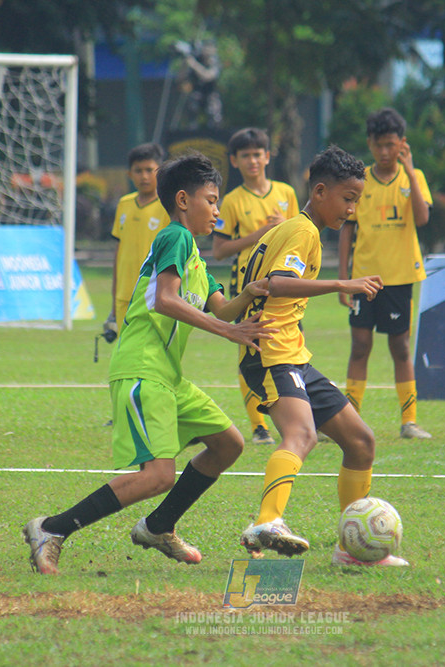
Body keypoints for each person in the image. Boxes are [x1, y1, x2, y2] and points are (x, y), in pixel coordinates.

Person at [22, 153, 275, 574]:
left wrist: (250, 293)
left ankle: (158, 527)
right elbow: (165, 300)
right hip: (142, 369)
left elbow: (224, 309)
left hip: (168, 377)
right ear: (183, 200)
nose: (217, 210)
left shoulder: (194, 257)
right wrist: (227, 331)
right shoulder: (175, 237)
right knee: (158, 475)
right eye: (211, 200)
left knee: (228, 443)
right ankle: (51, 528)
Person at [237, 145, 407, 567]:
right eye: (348, 198)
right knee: (303, 435)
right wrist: (341, 284)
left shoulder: (295, 229)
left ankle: (352, 551)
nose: (351, 209)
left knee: (361, 442)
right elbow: (278, 283)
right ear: (319, 191)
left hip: (291, 354)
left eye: (357, 200)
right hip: (270, 353)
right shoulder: (303, 231)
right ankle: (267, 521)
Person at [337, 108, 432, 440]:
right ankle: (349, 420)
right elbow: (347, 229)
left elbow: (422, 218)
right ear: (370, 144)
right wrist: (343, 279)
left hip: (400, 276)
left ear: (402, 144)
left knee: (400, 347)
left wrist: (411, 172)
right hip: (364, 278)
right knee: (360, 346)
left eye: (391, 145)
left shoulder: (413, 177)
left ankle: (409, 421)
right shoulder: (360, 180)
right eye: (379, 145)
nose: (385, 152)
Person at [213, 127, 300, 447]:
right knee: (251, 350)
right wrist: (260, 234)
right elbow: (219, 250)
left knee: (289, 347)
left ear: (267, 156)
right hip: (247, 287)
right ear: (234, 161)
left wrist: (284, 229)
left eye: (257, 154)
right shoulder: (232, 201)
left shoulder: (286, 193)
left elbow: (300, 234)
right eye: (245, 155)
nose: (252, 161)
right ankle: (259, 426)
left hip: (284, 284)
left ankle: (298, 418)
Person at [108, 143, 169, 336]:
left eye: (149, 170)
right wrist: (114, 295)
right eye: (138, 171)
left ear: (160, 171)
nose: (144, 176)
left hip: (152, 293)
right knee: (124, 348)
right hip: (124, 294)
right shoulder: (124, 204)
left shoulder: (168, 206)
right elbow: (119, 251)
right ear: (129, 174)